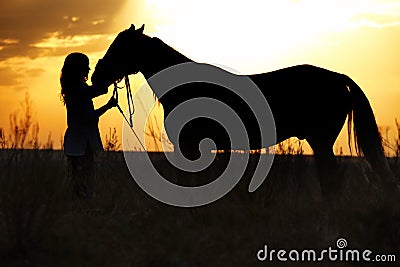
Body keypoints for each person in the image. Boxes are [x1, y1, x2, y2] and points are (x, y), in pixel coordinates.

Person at [60, 52, 117, 199]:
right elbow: (89, 117)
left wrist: (110, 79)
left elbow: (97, 90)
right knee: (82, 182)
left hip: (79, 142)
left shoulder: (76, 89)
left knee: (80, 180)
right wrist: (108, 106)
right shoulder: (77, 90)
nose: (89, 70)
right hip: (80, 143)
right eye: (85, 67)